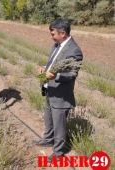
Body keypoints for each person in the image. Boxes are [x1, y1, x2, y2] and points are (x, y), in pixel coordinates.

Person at [32, 18, 83, 162]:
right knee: (49, 119)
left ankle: (58, 151)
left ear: (63, 33)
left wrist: (56, 75)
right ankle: (48, 139)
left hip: (61, 94)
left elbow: (72, 75)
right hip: (50, 90)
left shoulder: (75, 51)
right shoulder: (57, 45)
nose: (51, 36)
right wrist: (44, 68)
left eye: (53, 34)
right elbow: (52, 63)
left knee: (59, 124)